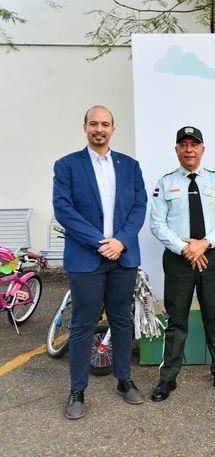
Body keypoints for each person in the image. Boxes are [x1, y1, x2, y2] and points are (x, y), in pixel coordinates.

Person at [53, 105, 147, 419]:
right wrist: (100, 243)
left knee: (121, 320)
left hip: (123, 256)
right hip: (85, 258)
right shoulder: (67, 165)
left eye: (105, 124)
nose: (99, 129)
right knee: (83, 324)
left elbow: (139, 207)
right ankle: (77, 390)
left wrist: (120, 241)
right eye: (94, 124)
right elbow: (64, 210)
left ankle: (124, 380)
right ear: (85, 128)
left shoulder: (130, 166)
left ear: (113, 129)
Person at [149, 126, 215, 401]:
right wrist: (185, 248)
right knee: (176, 319)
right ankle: (168, 378)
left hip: (210, 257)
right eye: (183, 144)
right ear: (176, 149)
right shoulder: (165, 182)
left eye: (194, 144)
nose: (189, 149)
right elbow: (157, 223)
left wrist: (203, 244)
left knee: (214, 317)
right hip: (178, 261)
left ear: (203, 149)